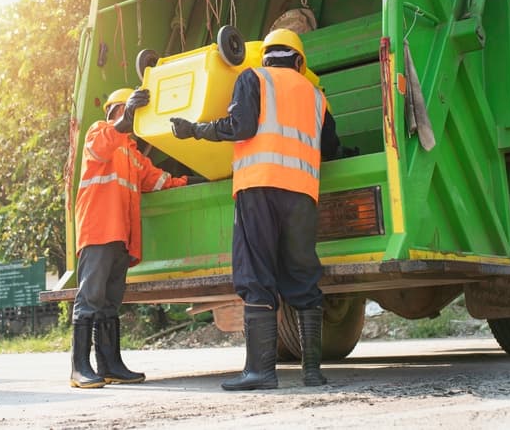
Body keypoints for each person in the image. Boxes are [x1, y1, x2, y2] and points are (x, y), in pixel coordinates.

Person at [170, 28, 341, 391]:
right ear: (299, 61)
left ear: (265, 57)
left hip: (258, 187)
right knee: (302, 273)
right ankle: (312, 371)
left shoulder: (254, 78)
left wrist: (195, 130)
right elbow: (331, 147)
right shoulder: (316, 96)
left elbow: (240, 127)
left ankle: (261, 372)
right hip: (301, 193)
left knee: (256, 272)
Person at [70, 86, 192, 389]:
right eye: (129, 111)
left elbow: (163, 181)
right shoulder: (98, 132)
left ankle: (110, 365)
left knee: (109, 303)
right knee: (90, 299)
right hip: (98, 232)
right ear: (118, 111)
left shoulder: (135, 157)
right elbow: (101, 148)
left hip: (120, 238)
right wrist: (125, 119)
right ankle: (79, 368)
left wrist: (198, 178)